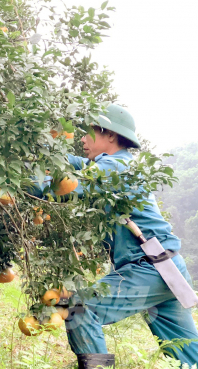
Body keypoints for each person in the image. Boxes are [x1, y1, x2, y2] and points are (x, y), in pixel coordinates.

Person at [57, 104, 198, 368]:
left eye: (89, 132)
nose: (83, 139)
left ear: (110, 135)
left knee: (80, 309)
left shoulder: (113, 168)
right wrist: (48, 153)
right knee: (187, 355)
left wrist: (7, 184)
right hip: (168, 270)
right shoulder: (115, 165)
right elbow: (78, 164)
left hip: (149, 269)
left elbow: (68, 185)